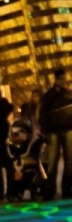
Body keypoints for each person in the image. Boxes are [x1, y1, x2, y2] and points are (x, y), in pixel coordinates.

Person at [40, 69, 72, 199]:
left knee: (70, 161)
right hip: (53, 131)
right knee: (53, 161)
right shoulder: (48, 95)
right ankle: (50, 189)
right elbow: (43, 114)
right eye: (62, 79)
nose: (64, 81)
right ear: (57, 79)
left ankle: (67, 188)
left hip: (69, 129)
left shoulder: (68, 93)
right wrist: (46, 131)